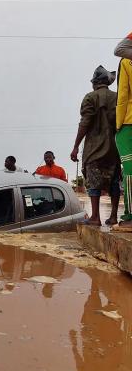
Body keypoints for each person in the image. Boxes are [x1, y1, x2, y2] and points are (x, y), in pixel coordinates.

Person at [70, 65, 120, 226]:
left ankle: (95, 217)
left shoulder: (90, 97)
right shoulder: (117, 97)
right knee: (114, 181)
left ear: (95, 83)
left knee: (93, 181)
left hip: (94, 148)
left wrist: (76, 146)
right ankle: (113, 217)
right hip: (114, 147)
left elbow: (85, 123)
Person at [112, 33, 132, 230]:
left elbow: (123, 95)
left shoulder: (127, 62)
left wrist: (118, 126)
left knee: (130, 170)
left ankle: (130, 216)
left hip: (128, 123)